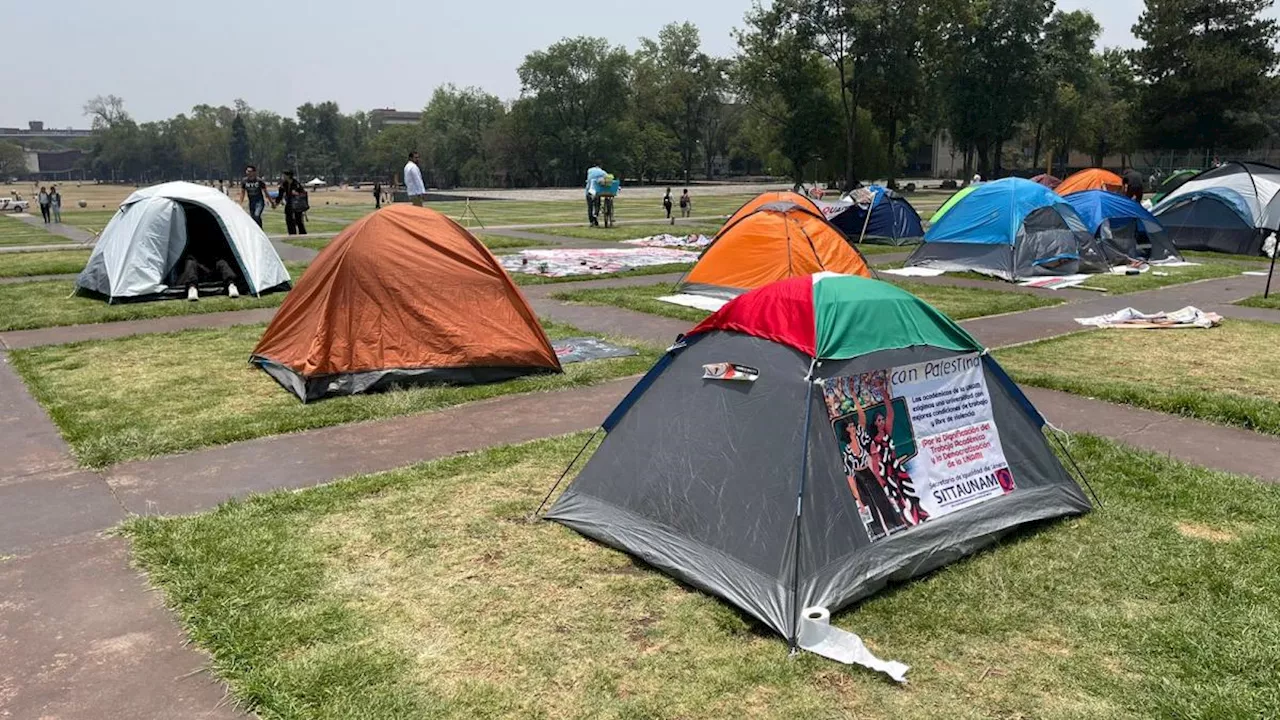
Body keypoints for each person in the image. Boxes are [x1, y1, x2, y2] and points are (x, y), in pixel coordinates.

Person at [276, 170, 308, 236]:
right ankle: (292, 233)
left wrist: (296, 193)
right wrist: (276, 203)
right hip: (289, 203)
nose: (282, 177)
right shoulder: (283, 184)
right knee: (289, 219)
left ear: (288, 176)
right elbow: (280, 195)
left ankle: (302, 233)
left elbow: (303, 193)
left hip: (297, 204)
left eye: (284, 175)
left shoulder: (296, 184)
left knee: (298, 219)